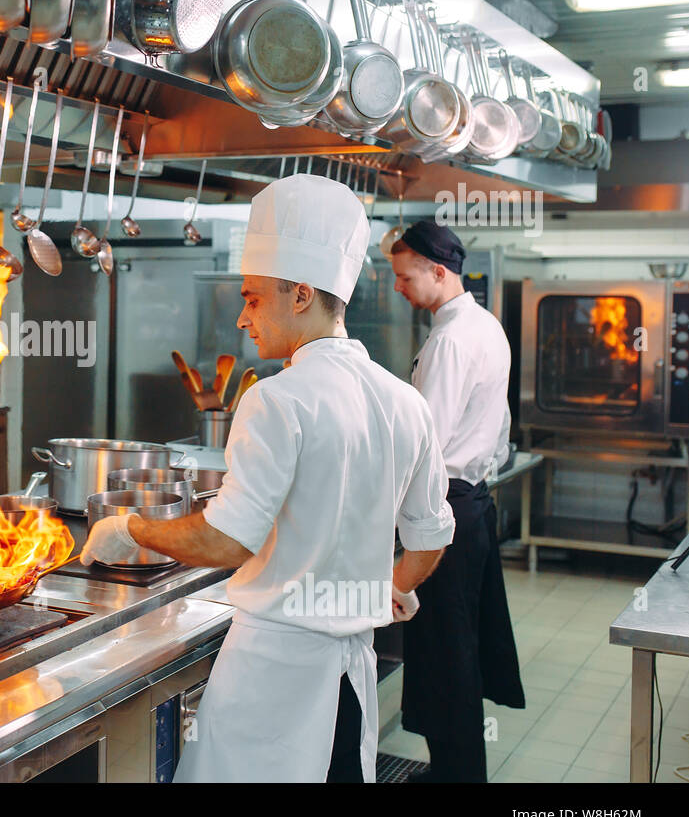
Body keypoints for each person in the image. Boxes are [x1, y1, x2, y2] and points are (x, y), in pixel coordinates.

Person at [81, 174, 455, 782]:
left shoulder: (276, 400)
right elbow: (431, 538)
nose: (242, 318)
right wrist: (384, 591)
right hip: (349, 686)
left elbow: (226, 542)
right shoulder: (404, 401)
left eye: (253, 297)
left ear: (301, 294)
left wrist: (131, 528)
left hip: (270, 684)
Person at [389, 220, 526, 782]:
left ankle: (457, 775)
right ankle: (457, 770)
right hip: (473, 506)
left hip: (444, 510)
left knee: (447, 654)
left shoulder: (448, 340)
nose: (398, 287)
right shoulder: (485, 326)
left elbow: (425, 446)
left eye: (404, 276)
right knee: (460, 646)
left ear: (438, 271)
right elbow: (501, 432)